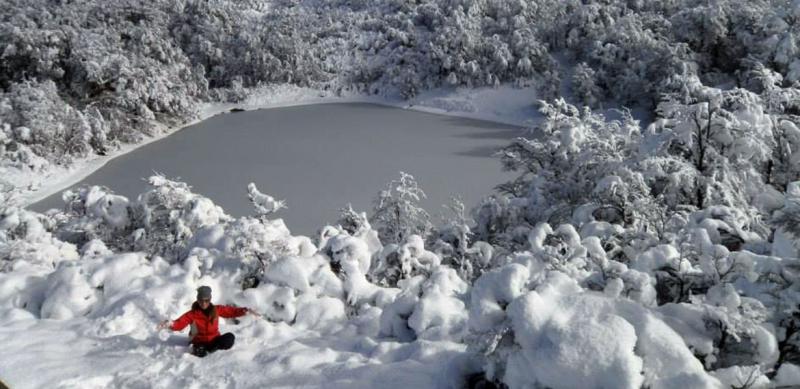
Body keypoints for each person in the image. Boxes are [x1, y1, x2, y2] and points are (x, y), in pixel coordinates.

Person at [157, 286, 260, 357]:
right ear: (197, 300)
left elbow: (231, 312)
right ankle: (202, 351)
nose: (203, 303)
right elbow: (179, 324)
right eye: (201, 300)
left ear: (210, 299)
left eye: (206, 300)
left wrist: (246, 311)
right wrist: (169, 324)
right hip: (199, 341)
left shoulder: (216, 309)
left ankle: (212, 350)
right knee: (200, 350)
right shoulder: (192, 314)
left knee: (230, 337)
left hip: (214, 340)